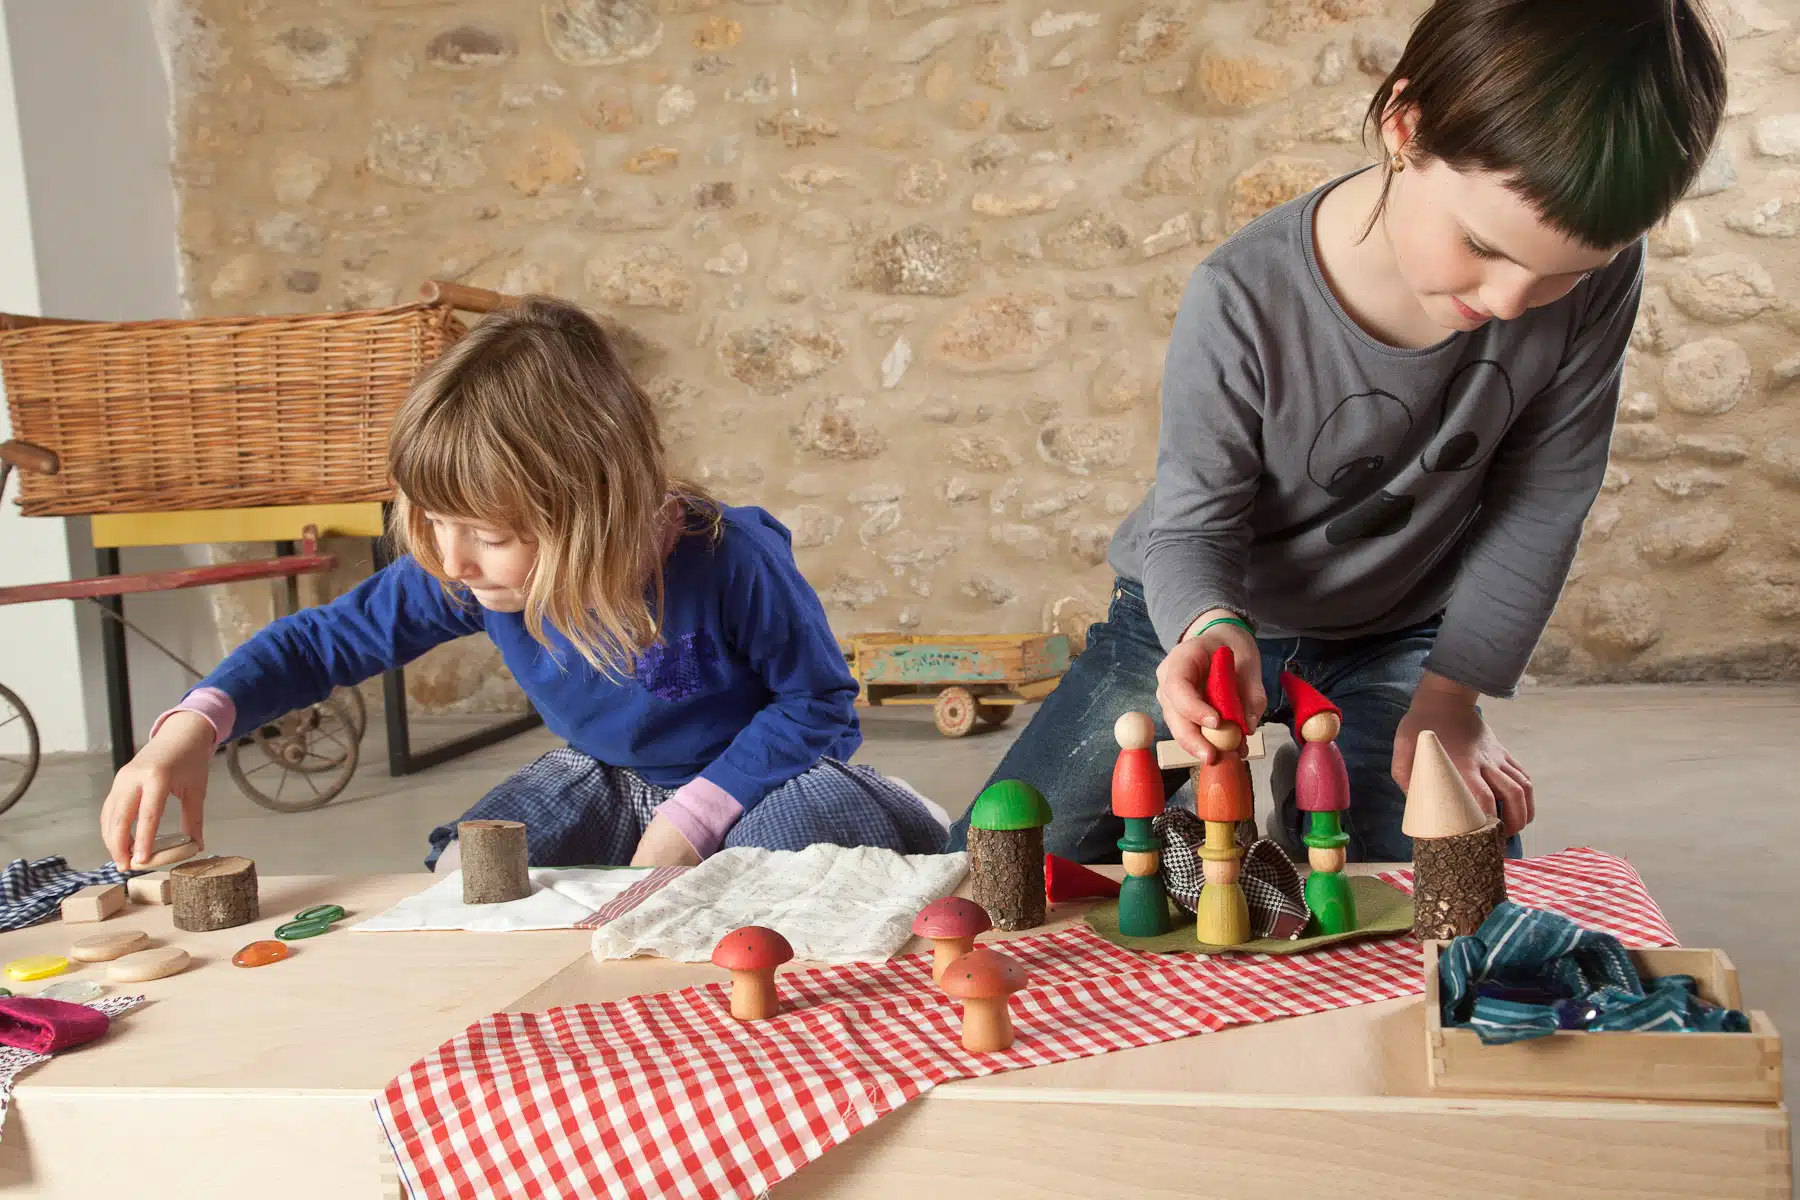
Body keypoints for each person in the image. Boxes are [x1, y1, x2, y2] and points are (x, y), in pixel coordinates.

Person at [952, 0, 1727, 865]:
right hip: (1193, 616)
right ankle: (1201, 829)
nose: (1512, 302)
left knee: (1443, 882)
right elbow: (1191, 524)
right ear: (1405, 126)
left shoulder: (1597, 279)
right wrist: (1206, 630)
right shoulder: (1242, 294)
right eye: (1481, 244)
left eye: (1565, 273)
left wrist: (1452, 702)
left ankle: (1303, 810)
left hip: (1394, 632)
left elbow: (1545, 502)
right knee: (995, 868)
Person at [99, 297, 949, 872]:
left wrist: (693, 823)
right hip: (611, 777)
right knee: (473, 865)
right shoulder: (462, 571)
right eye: (431, 521)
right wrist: (193, 727)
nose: (451, 558)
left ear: (596, 510)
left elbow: (819, 707)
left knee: (792, 864)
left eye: (491, 535)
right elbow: (322, 640)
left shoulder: (731, 561)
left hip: (771, 778)